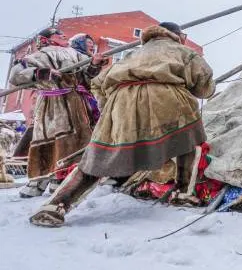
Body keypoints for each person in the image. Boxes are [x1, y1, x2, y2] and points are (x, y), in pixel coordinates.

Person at [30, 22, 216, 227]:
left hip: (120, 101)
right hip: (167, 97)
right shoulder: (184, 52)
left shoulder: (132, 55)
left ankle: (55, 206)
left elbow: (99, 83)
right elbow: (205, 87)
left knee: (98, 155)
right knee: (191, 140)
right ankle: (182, 193)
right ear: (177, 36)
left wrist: (112, 106)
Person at [8, 28, 105, 198]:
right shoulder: (36, 57)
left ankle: (62, 179)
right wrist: (43, 73)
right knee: (45, 140)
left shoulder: (76, 55)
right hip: (49, 104)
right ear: (46, 39)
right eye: (58, 34)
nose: (63, 35)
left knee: (75, 141)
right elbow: (15, 76)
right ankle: (39, 180)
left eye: (63, 34)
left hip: (75, 102)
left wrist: (94, 64)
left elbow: (87, 78)